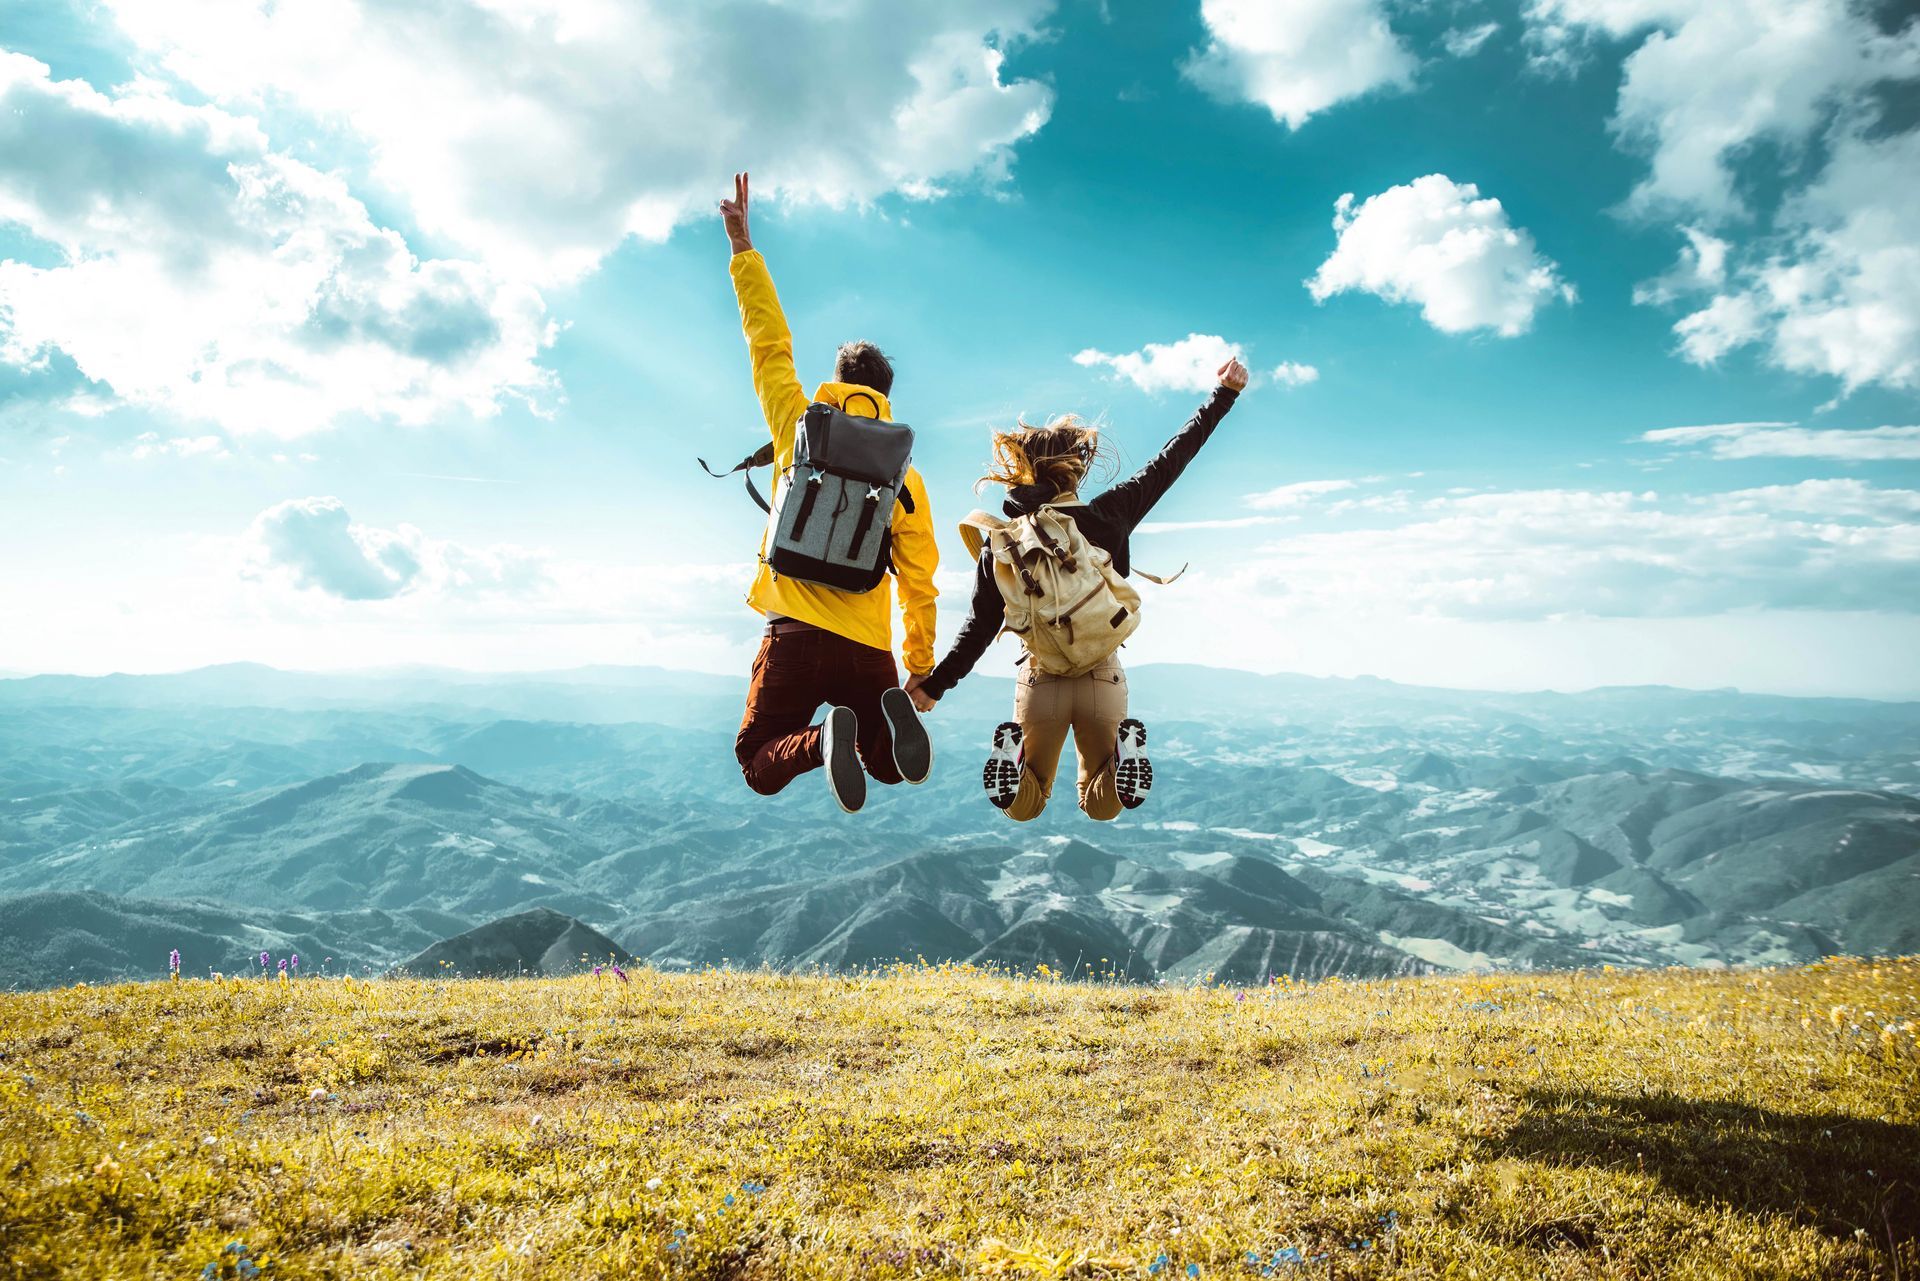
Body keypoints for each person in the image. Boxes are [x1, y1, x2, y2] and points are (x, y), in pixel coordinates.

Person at [906, 358, 1249, 820]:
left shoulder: (1003, 543)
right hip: (1101, 677)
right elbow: (1171, 461)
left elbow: (980, 627)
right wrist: (1222, 396)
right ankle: (1122, 762)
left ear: (1020, 471)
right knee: (1101, 805)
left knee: (1026, 804)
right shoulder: (1110, 513)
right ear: (1076, 470)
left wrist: (934, 686)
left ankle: (1015, 766)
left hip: (1041, 678)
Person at [719, 172, 938, 814]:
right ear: (885, 395)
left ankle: (819, 744)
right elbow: (920, 579)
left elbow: (768, 343)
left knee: (757, 761)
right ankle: (876, 724)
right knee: (888, 766)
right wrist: (918, 666)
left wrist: (743, 247)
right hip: (868, 647)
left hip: (792, 632)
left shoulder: (798, 426)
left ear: (837, 382)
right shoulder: (908, 475)